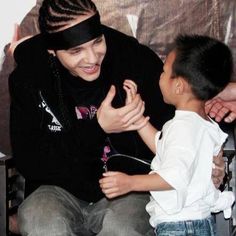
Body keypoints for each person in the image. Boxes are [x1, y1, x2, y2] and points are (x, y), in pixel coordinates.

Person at [8, 0, 225, 235]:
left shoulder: (135, 60)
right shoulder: (31, 75)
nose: (91, 58)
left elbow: (182, 123)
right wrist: (98, 128)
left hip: (130, 188)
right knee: (42, 222)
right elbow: (30, 161)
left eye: (97, 42)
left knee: (122, 227)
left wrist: (207, 158)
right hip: (56, 189)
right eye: (76, 51)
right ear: (52, 50)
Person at [99, 35, 235, 235]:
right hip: (195, 224)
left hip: (179, 227)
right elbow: (164, 149)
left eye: (163, 71)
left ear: (178, 85)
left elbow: (174, 176)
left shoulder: (183, 128)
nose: (159, 77)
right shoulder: (202, 125)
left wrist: (130, 182)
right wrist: (139, 120)